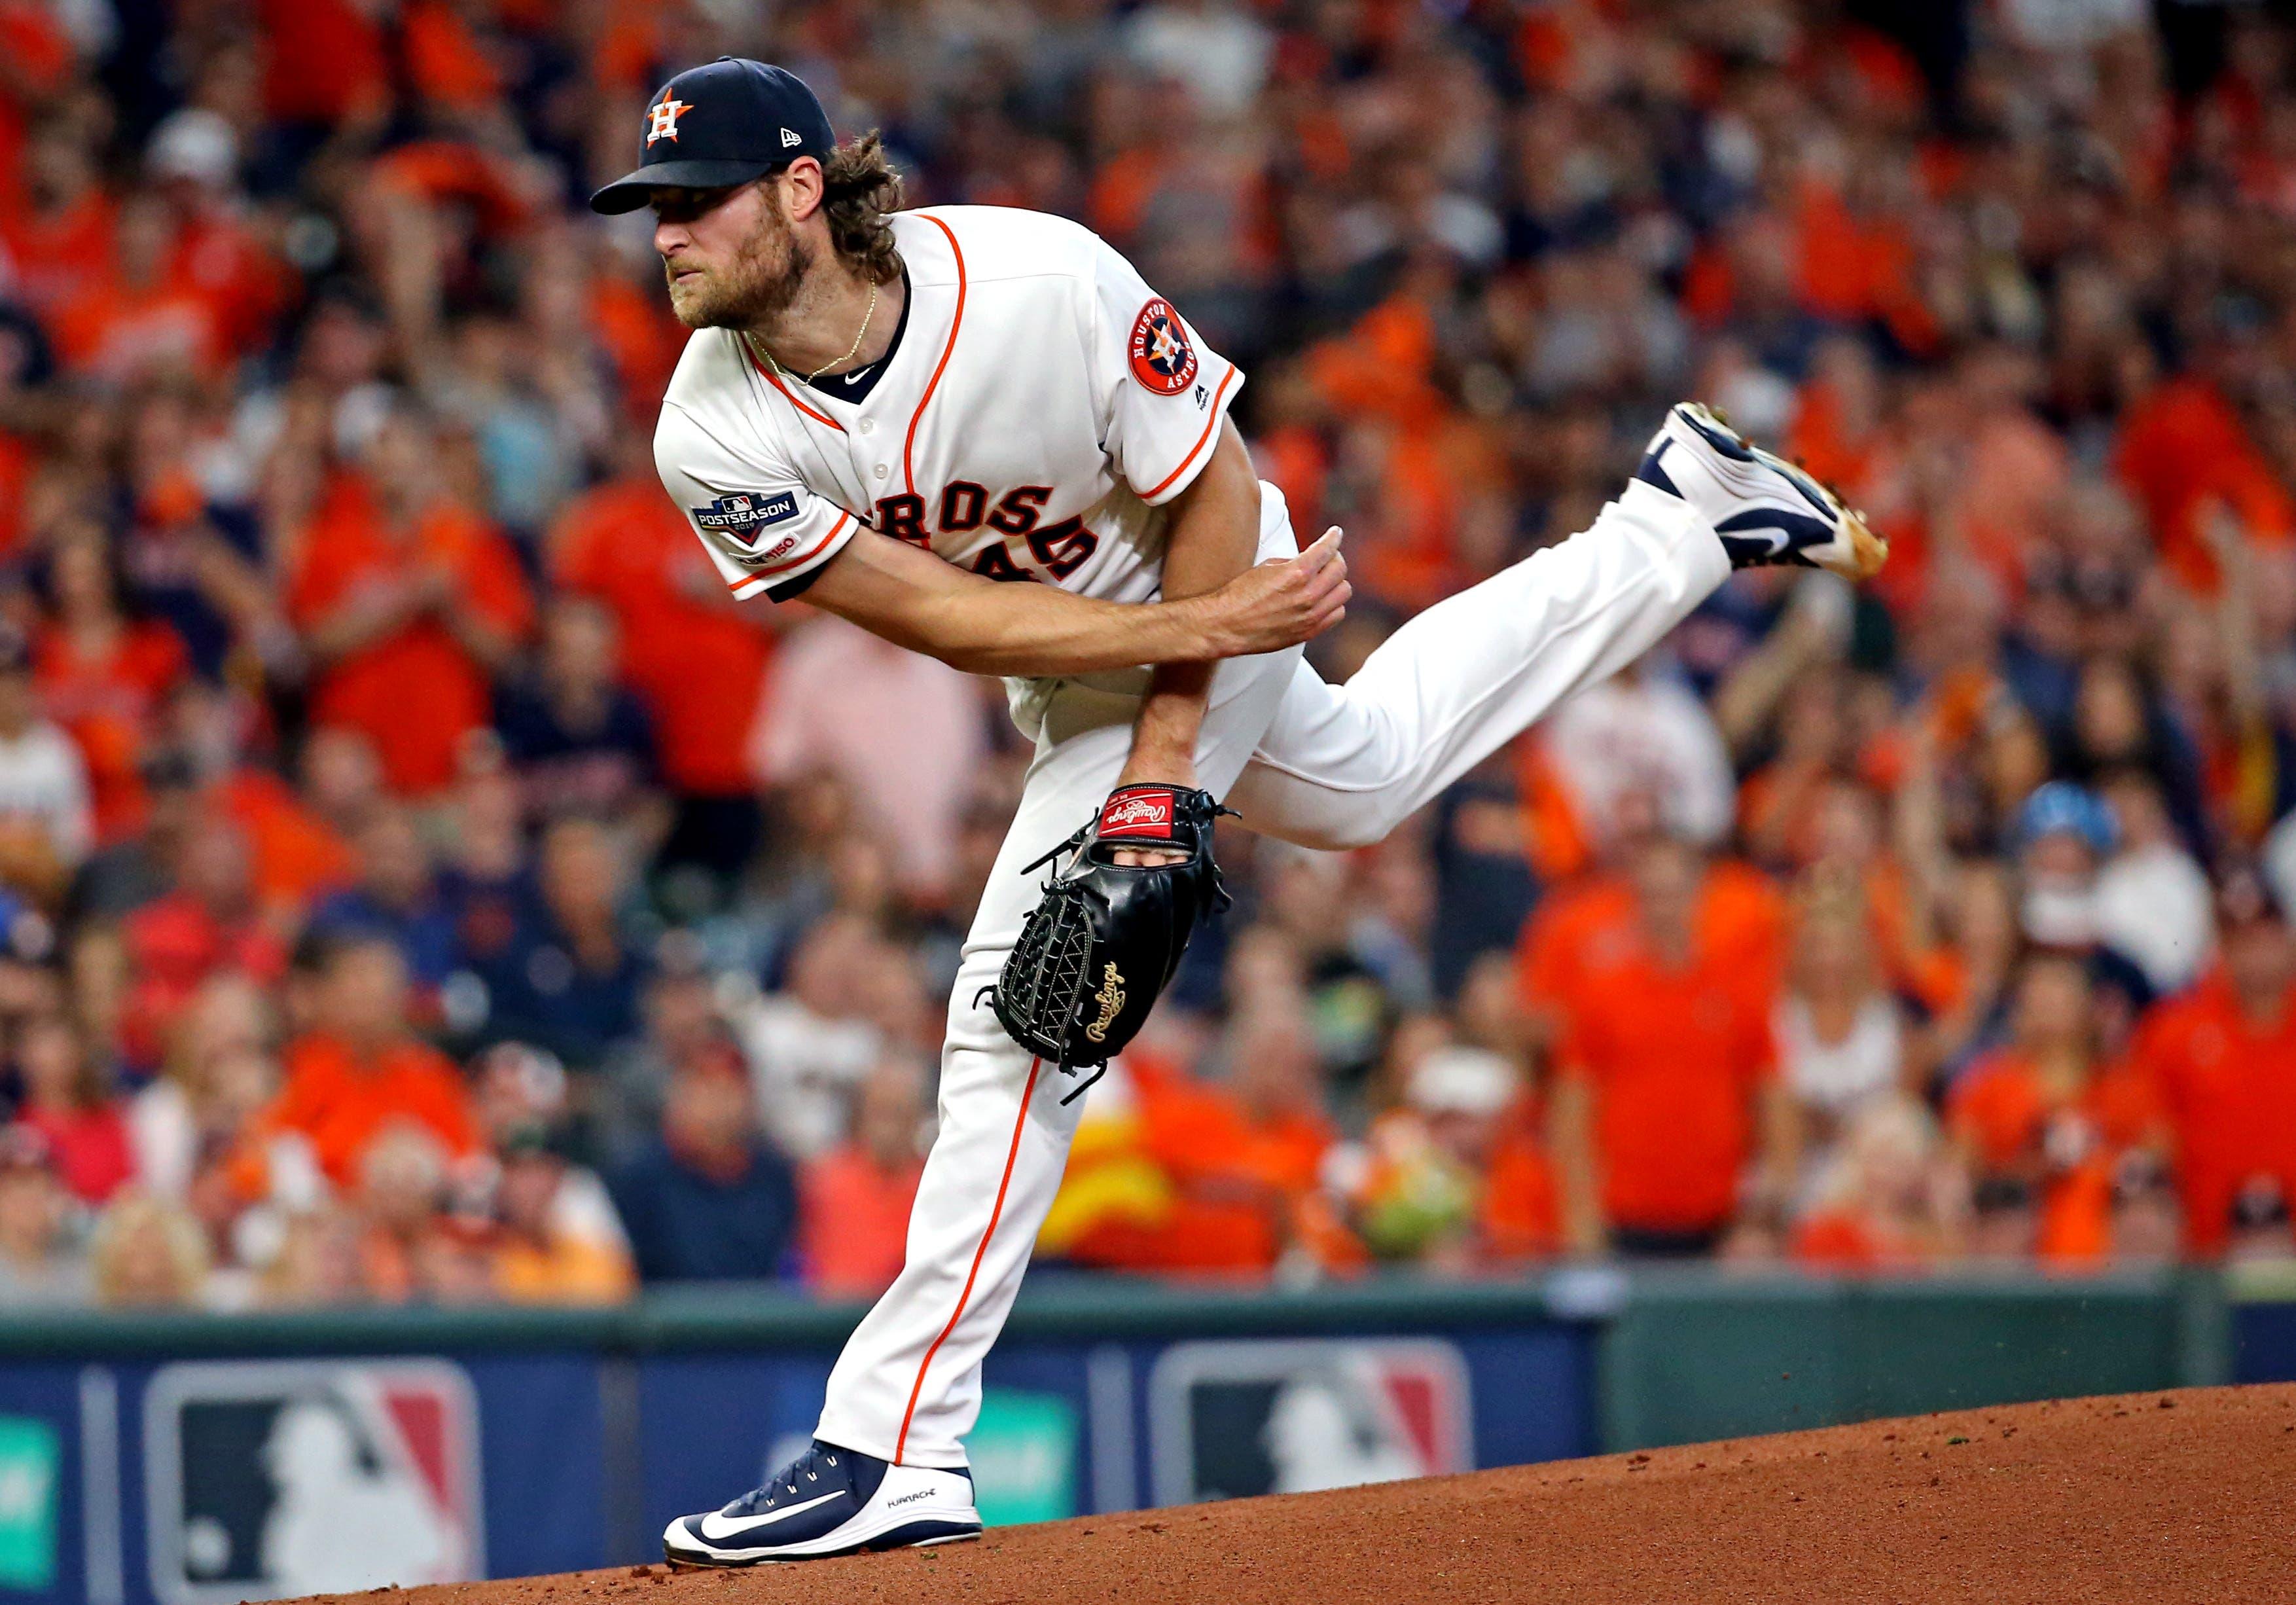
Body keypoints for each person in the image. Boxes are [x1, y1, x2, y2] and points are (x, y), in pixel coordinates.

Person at [602, 56, 1884, 1562]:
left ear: (802, 190)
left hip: (1211, 570)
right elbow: (952, 623)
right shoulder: (709, 429)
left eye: (697, 199)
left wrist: (1160, 752)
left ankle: (894, 1442)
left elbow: (1215, 479)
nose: (666, 231)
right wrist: (1173, 706)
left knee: (1018, 1014)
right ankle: (1676, 519)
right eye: (653, 205)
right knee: (1371, 774)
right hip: (1105, 649)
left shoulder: (1031, 277)